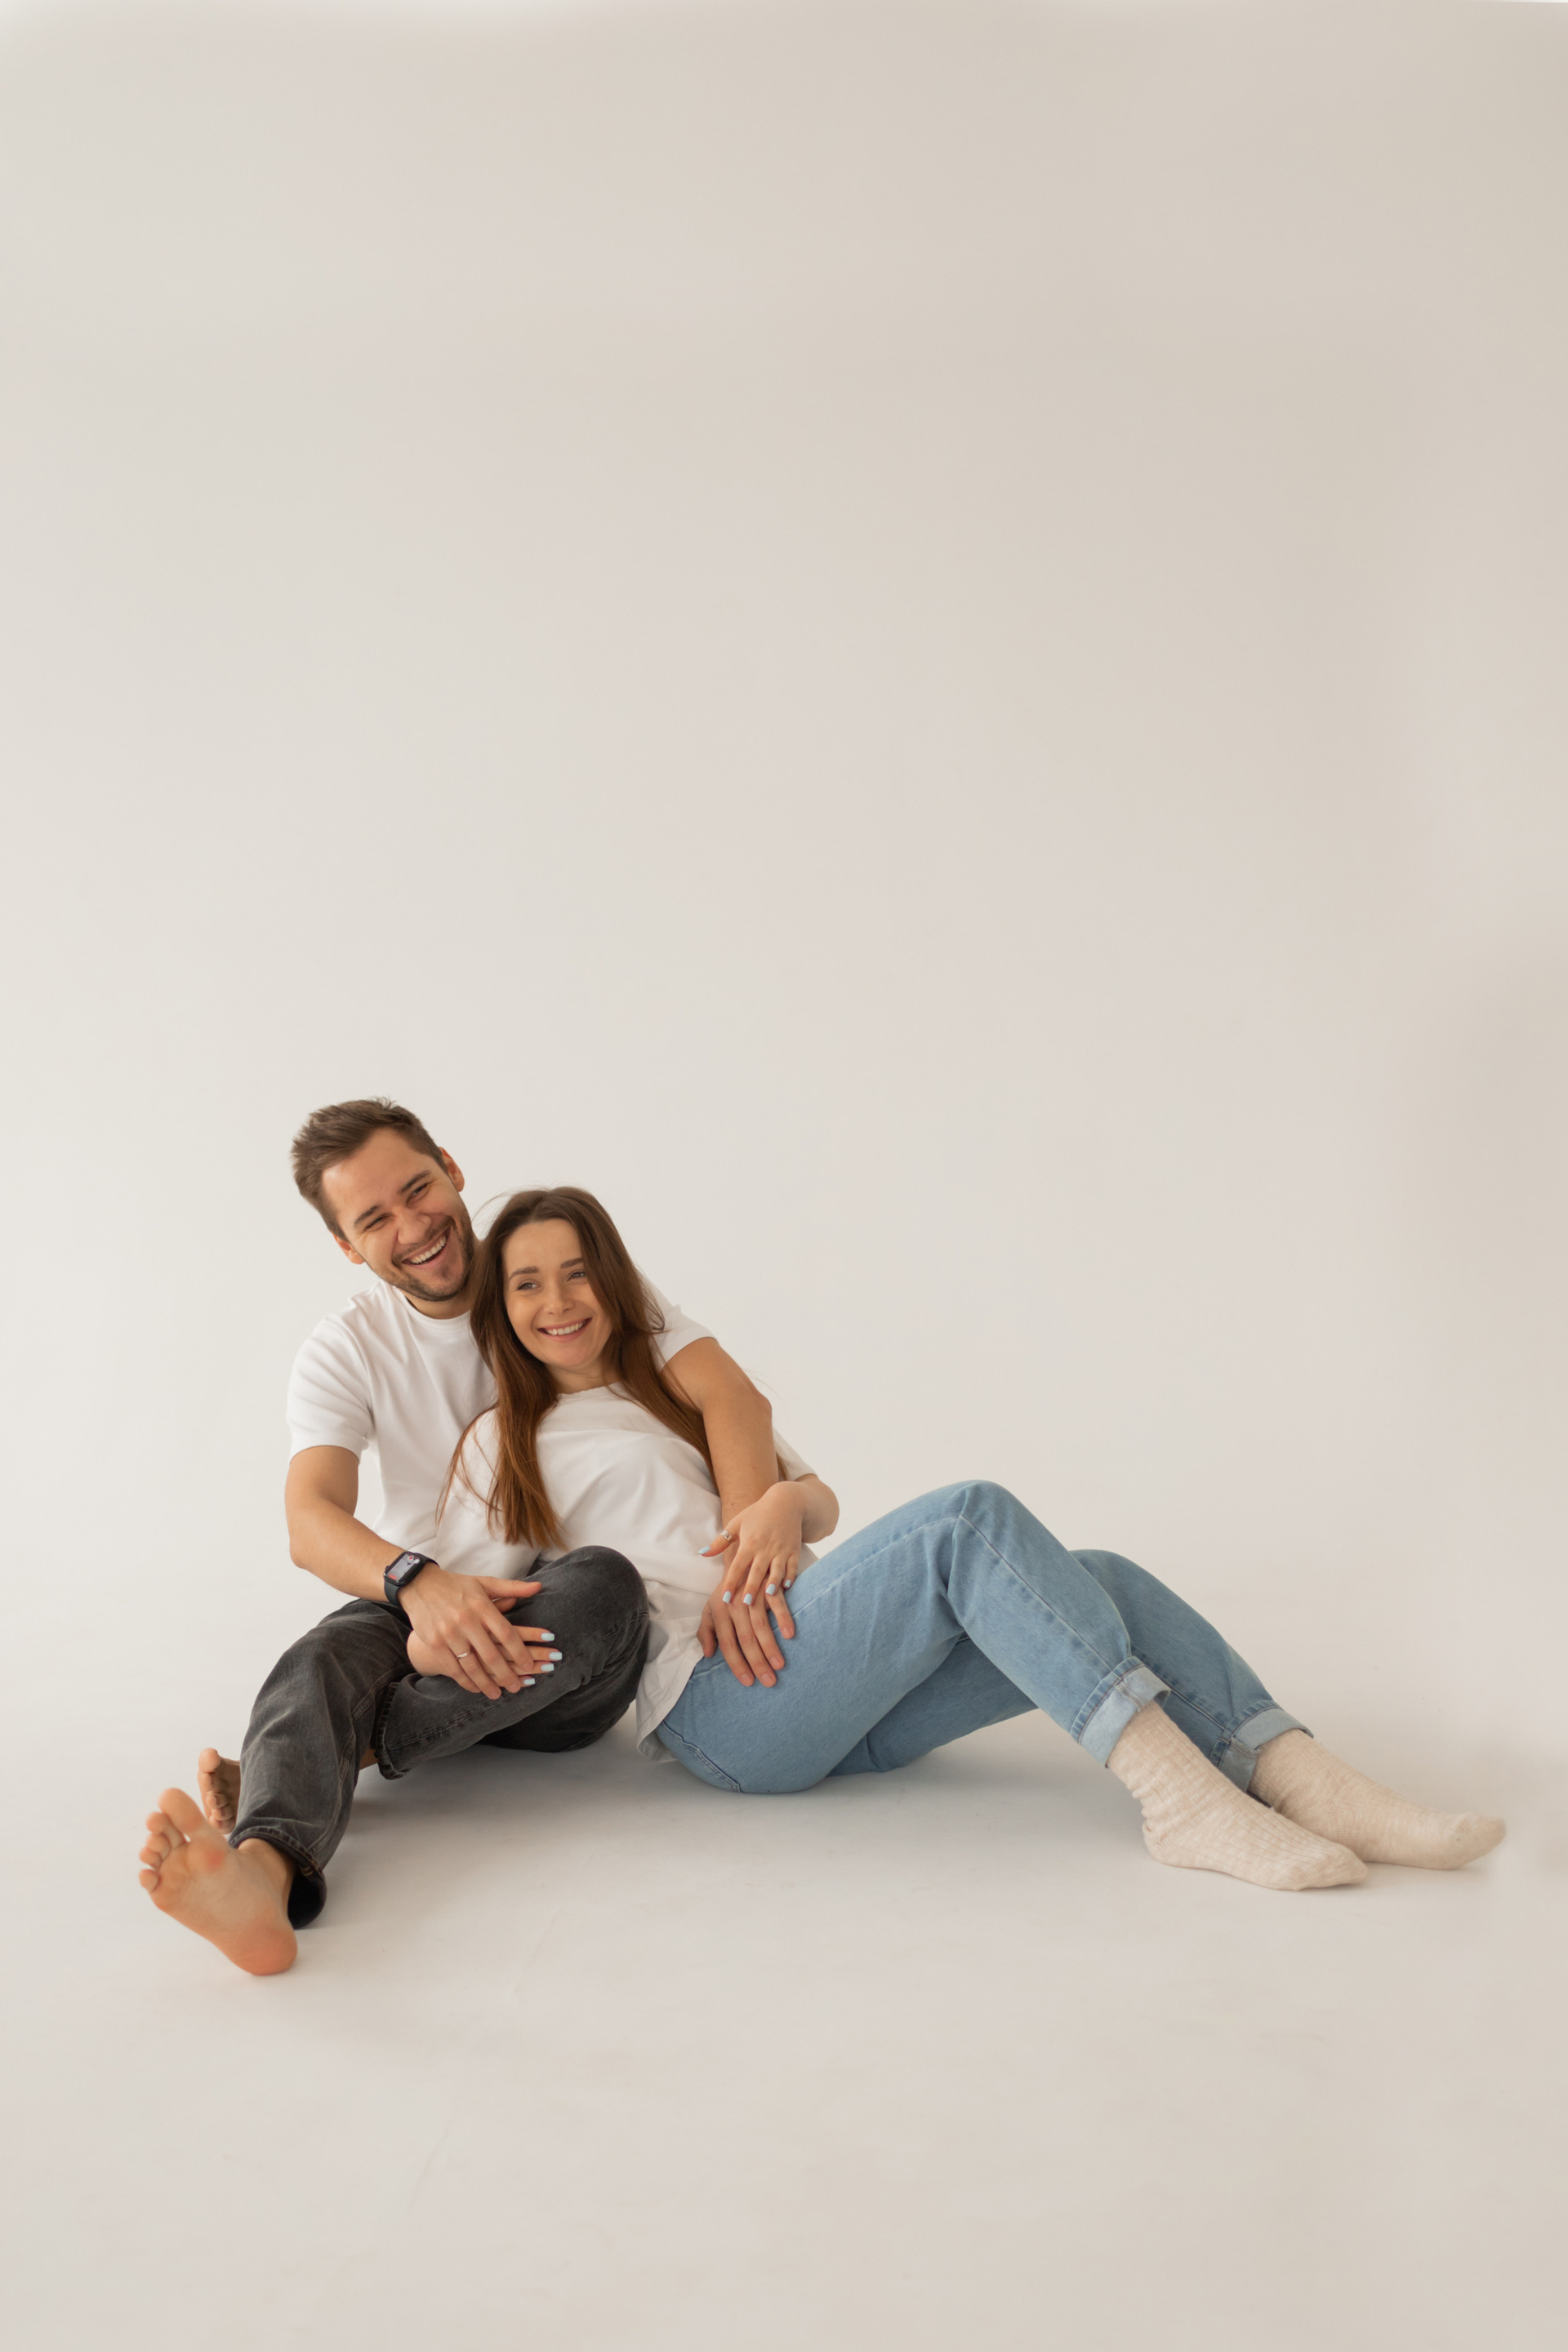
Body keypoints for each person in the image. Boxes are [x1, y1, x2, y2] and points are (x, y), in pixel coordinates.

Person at [413, 1185, 1506, 1897]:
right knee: (967, 1518)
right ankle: (1180, 1802)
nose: (557, 1301)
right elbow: (456, 1608)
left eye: (576, 1272)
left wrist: (788, 1507)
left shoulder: (673, 1388)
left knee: (1101, 1578)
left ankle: (1303, 1775)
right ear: (501, 1310)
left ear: (613, 1279)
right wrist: (398, 1677)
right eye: (527, 1283)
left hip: (826, 1677)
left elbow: (818, 1505)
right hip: (721, 1708)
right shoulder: (502, 1444)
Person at [137, 1100, 783, 1975]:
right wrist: (417, 1582)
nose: (412, 1227)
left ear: (451, 1167)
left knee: (604, 1583)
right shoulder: (347, 1349)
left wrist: (746, 1571)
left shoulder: (555, 1276)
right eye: (374, 1219)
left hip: (565, 1635)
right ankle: (263, 1878)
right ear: (346, 1246)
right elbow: (310, 1520)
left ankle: (333, 1751)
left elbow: (730, 1397)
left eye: (418, 1189)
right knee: (321, 1659)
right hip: (425, 1596)